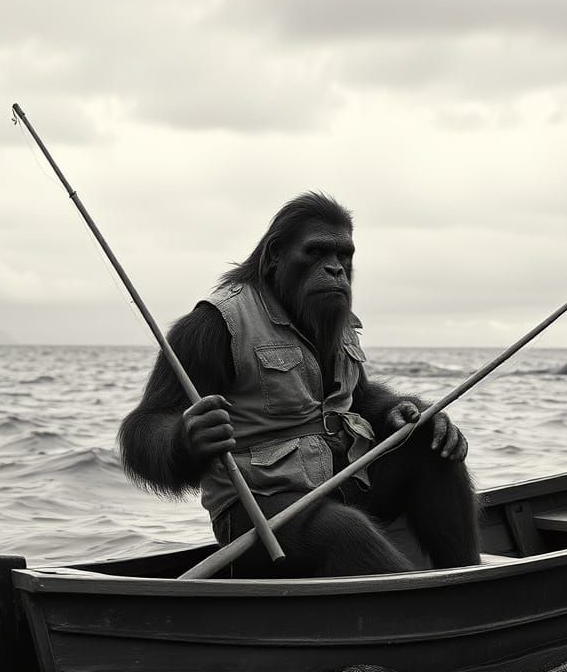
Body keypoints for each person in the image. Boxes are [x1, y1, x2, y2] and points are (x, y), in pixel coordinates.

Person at [119, 193, 480, 577]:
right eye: (318, 253)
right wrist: (183, 440)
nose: (336, 270)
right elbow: (144, 428)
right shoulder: (216, 325)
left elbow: (354, 402)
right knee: (344, 530)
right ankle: (421, 617)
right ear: (275, 255)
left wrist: (399, 410)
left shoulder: (333, 321)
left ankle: (470, 586)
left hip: (341, 485)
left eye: (344, 256)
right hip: (260, 512)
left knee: (431, 445)